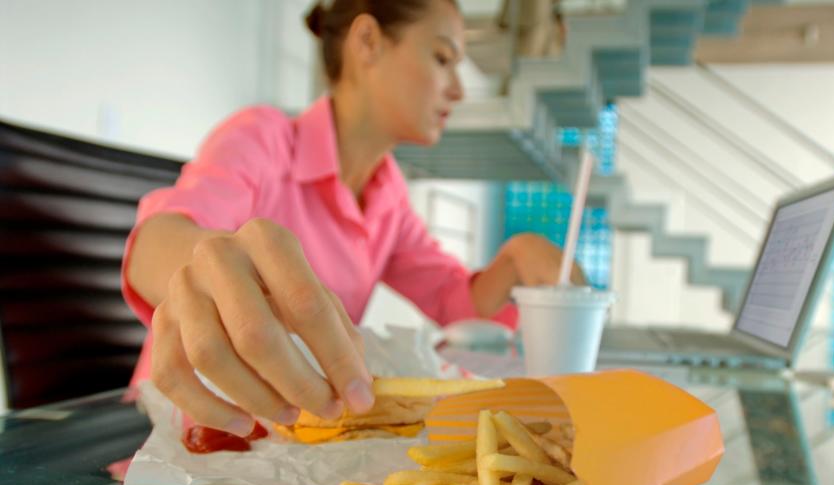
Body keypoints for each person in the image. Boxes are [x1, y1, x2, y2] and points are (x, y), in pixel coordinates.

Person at [122, 0, 585, 438]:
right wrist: (210, 265)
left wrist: (513, 261)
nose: (459, 89)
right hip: (174, 436)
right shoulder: (262, 138)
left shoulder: (388, 193)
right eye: (443, 59)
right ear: (367, 41)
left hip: (284, 447)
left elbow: (454, 302)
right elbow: (156, 242)